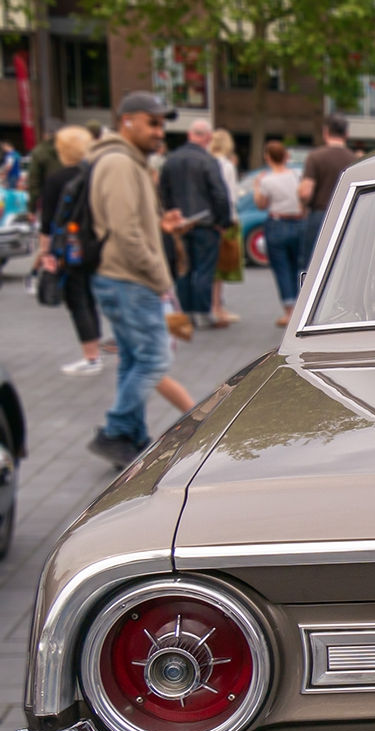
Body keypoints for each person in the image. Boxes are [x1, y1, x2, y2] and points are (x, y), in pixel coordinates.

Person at [87, 91, 184, 469]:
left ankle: (133, 437)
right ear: (127, 120)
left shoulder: (128, 162)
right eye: (152, 122)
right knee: (155, 359)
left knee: (133, 360)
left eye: (162, 123)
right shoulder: (119, 164)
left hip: (123, 277)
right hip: (129, 279)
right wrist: (160, 276)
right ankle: (115, 431)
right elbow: (125, 233)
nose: (160, 130)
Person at [37, 126, 105, 376]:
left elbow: (48, 222)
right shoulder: (95, 175)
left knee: (77, 300)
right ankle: (95, 349)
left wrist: (46, 253)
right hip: (93, 246)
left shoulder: (56, 179)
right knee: (89, 298)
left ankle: (91, 356)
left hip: (68, 250)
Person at [158, 119, 231, 329]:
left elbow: (163, 191)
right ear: (207, 137)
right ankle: (202, 312)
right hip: (205, 223)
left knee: (184, 269)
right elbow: (219, 194)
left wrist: (171, 214)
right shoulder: (207, 160)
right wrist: (222, 221)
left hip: (180, 224)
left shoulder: (171, 159)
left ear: (190, 134)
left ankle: (186, 313)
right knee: (204, 269)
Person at [253, 140, 303, 326]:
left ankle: (289, 311)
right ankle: (301, 308)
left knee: (281, 267)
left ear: (267, 157)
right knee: (298, 265)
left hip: (277, 222)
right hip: (298, 222)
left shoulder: (267, 180)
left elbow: (261, 204)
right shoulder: (297, 175)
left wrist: (257, 187)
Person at [298, 113, 357, 271]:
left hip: (320, 215)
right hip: (349, 215)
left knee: (313, 266)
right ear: (346, 134)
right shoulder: (355, 160)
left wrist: (303, 205)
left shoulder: (315, 157)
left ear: (326, 132)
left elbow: (305, 192)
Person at [208, 128, 241, 326]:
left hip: (207, 220)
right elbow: (230, 195)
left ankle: (213, 306)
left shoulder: (205, 162)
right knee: (221, 269)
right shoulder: (227, 165)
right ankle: (217, 307)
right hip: (224, 219)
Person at [26, 120, 63, 223]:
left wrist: (31, 208)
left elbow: (34, 182)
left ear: (45, 135)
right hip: (74, 197)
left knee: (50, 231)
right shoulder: (72, 148)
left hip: (49, 199)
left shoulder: (39, 151)